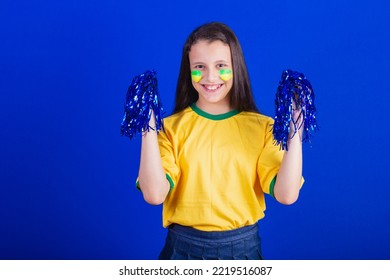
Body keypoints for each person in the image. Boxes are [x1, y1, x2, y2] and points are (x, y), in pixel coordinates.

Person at [137, 22, 304, 260]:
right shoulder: (169, 129)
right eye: (199, 67)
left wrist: (295, 130)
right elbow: (154, 195)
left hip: (243, 252)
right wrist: (148, 127)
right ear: (189, 70)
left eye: (221, 66)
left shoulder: (263, 128)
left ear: (236, 67)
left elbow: (287, 195)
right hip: (182, 251)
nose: (210, 76)